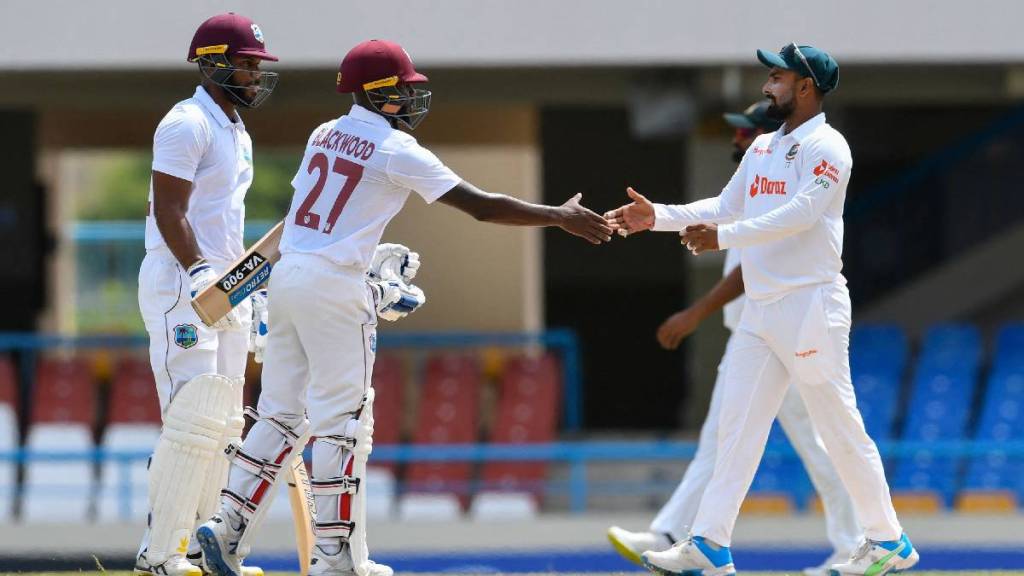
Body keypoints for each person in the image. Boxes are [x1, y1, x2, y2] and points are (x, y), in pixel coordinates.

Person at [196, 39, 612, 576]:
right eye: (403, 89)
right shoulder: (397, 149)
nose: (412, 99)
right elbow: (482, 208)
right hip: (334, 284)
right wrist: (558, 216)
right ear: (379, 93)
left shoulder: (323, 132)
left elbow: (298, 216)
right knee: (343, 424)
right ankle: (337, 559)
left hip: (291, 276)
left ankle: (225, 525)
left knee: (278, 414)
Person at [606, 44, 919, 576]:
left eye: (776, 77)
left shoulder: (829, 146)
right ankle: (708, 542)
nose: (766, 86)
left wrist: (723, 237)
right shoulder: (763, 148)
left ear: (805, 87)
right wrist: (655, 216)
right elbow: (726, 206)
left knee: (838, 428)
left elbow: (800, 214)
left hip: (810, 303)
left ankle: (889, 541)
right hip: (762, 309)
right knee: (737, 429)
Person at [135, 12, 278, 576]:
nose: (254, 74)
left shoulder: (235, 128)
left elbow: (224, 222)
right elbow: (169, 209)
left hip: (228, 284)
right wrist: (197, 270)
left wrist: (247, 291)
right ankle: (159, 552)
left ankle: (202, 548)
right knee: (191, 419)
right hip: (182, 283)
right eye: (245, 64)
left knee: (225, 424)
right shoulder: (185, 121)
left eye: (256, 65)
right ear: (214, 62)